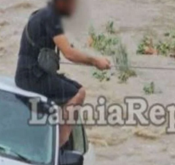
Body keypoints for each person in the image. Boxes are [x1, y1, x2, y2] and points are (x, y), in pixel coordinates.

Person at [15, 0, 111, 147]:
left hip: (26, 75)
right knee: (78, 92)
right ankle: (60, 144)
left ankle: (50, 131)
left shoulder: (42, 14)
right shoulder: (51, 18)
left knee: (67, 88)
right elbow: (69, 53)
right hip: (33, 78)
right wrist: (95, 61)